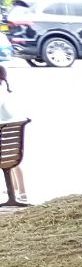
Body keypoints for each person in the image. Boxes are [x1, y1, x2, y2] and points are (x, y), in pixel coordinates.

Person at [0, 63, 28, 205]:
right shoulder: (6, 95)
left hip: (3, 151)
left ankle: (16, 190)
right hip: (12, 151)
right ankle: (20, 190)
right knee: (9, 158)